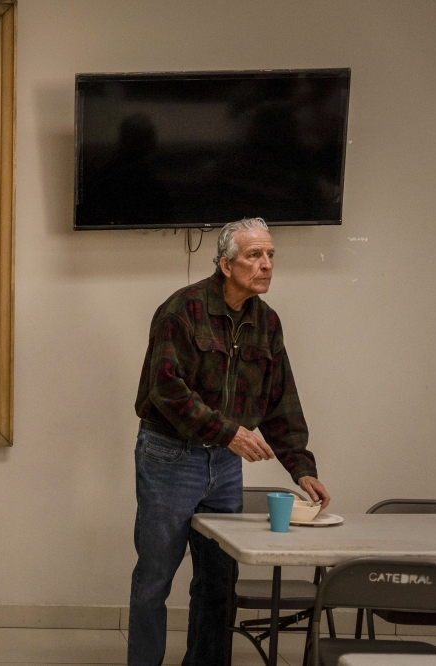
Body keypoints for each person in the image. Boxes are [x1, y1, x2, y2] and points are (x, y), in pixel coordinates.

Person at [127, 218, 330, 666]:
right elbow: (166, 389)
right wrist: (228, 431)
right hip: (169, 457)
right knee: (154, 579)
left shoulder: (268, 324)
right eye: (254, 256)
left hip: (224, 465)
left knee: (219, 582)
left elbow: (281, 401)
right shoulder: (182, 310)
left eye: (271, 255)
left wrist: (302, 467)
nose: (266, 265)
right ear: (225, 264)